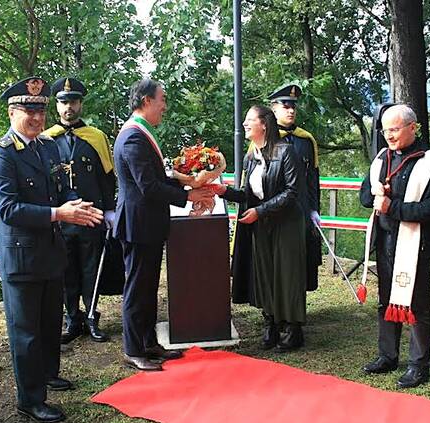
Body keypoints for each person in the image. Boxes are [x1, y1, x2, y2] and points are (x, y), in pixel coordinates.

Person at [0, 77, 104, 422]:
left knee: (51, 324)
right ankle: (30, 399)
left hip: (51, 252)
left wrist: (78, 206)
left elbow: (61, 190)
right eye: (28, 110)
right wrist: (58, 214)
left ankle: (48, 375)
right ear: (11, 112)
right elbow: (7, 209)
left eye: (40, 110)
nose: (36, 117)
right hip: (22, 257)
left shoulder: (47, 147)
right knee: (26, 332)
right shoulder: (1, 155)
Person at [113, 78, 214, 371]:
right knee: (137, 288)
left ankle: (148, 342)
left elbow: (156, 180)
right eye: (162, 100)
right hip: (138, 225)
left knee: (148, 287)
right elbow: (149, 187)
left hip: (148, 224)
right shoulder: (133, 137)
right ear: (146, 101)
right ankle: (133, 349)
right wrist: (188, 194)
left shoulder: (141, 133)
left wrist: (188, 180)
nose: (164, 106)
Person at [359, 104, 430, 389]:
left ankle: (419, 365)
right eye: (385, 130)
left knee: (418, 306)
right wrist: (375, 193)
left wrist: (391, 206)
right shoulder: (381, 158)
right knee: (386, 300)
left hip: (415, 245)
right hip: (385, 242)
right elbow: (364, 196)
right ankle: (388, 355)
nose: (389, 136)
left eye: (395, 129)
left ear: (412, 127)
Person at [214, 105, 307, 352]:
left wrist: (261, 211)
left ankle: (292, 329)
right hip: (262, 223)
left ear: (264, 124)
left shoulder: (286, 152)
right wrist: (224, 191)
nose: (245, 124)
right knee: (265, 273)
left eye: (249, 120)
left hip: (286, 222)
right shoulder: (250, 156)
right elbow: (249, 193)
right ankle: (271, 323)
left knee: (287, 275)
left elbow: (293, 192)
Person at [44, 77, 116, 344]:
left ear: (80, 104)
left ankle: (91, 318)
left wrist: (109, 211)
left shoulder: (96, 138)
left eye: (73, 101)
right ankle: (72, 318)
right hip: (61, 218)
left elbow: (107, 178)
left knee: (90, 269)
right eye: (63, 102)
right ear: (56, 106)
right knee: (66, 271)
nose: (68, 107)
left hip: (91, 216)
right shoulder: (46, 140)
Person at [269, 84, 322, 292]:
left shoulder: (305, 140)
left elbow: (312, 179)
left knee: (301, 262)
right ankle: (272, 312)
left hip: (300, 210)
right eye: (285, 106)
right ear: (274, 109)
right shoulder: (265, 139)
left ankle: (296, 313)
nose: (291, 110)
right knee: (275, 262)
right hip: (274, 211)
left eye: (293, 107)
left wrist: (314, 208)